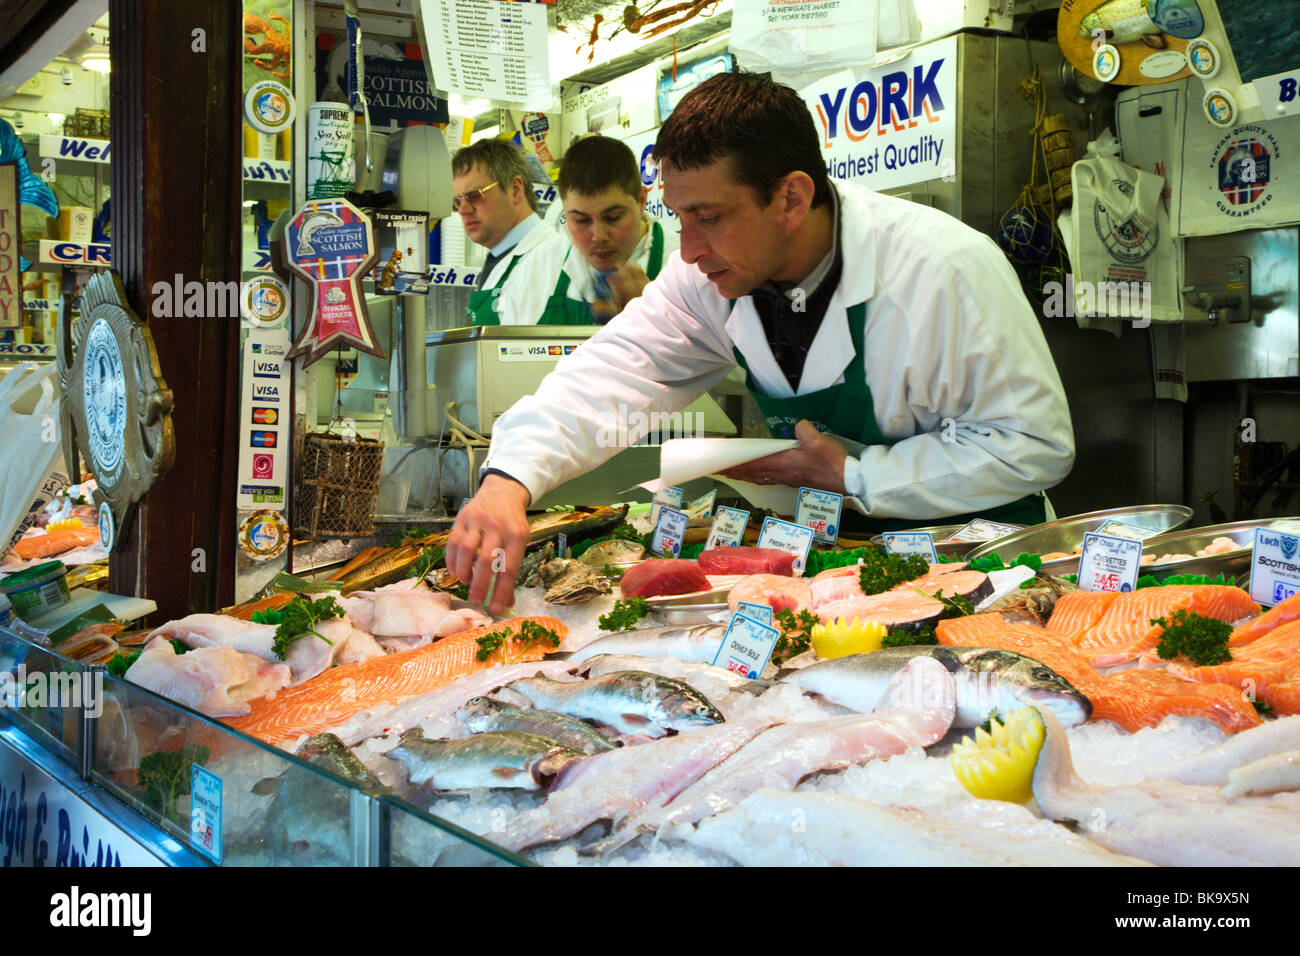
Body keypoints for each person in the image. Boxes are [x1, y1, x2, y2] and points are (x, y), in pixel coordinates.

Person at [448, 72, 1075, 613]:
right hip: (837, 569)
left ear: (791, 199)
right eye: (681, 217)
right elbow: (613, 373)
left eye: (711, 217)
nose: (689, 249)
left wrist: (859, 475)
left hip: (985, 564)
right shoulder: (705, 279)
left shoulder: (943, 269)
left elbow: (1034, 445)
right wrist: (508, 479)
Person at [500, 135, 681, 324]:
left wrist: (656, 317)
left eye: (613, 217)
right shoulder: (535, 271)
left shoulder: (686, 268)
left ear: (641, 200)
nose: (599, 236)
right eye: (581, 220)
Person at [451, 138, 561, 326]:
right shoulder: (501, 258)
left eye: (475, 196)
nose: (463, 210)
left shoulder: (548, 259)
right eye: (458, 201)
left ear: (515, 190)